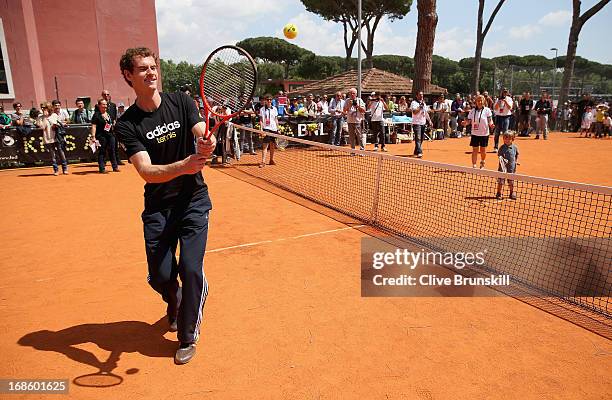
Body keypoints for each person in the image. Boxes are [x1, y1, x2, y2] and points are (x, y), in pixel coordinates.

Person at [115, 47, 216, 365]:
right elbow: (146, 171)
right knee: (159, 277)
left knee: (190, 268)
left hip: (193, 201)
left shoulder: (182, 102)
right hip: (159, 207)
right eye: (142, 69)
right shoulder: (128, 124)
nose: (151, 72)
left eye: (153, 66)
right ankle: (174, 299)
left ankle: (187, 336)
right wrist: (184, 164)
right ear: (129, 76)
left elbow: (202, 134)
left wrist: (206, 144)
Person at [463, 94, 494, 169]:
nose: (479, 102)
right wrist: (465, 123)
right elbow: (469, 121)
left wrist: (491, 125)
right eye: (478, 101)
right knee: (475, 150)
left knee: (483, 150)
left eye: (481, 101)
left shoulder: (487, 110)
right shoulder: (472, 111)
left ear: (483, 102)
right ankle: (474, 165)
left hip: (484, 134)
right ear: (476, 102)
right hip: (475, 133)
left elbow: (490, 120)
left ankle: (482, 161)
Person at [38, 103, 68, 175]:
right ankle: (56, 170)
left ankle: (65, 169)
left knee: (61, 152)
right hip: (48, 138)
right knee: (52, 154)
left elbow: (60, 124)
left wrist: (56, 125)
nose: (43, 109)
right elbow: (42, 127)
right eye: (42, 108)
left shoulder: (54, 115)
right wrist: (45, 117)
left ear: (49, 108)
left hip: (57, 137)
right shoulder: (40, 117)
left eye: (44, 108)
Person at [91, 98, 119, 173]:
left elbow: (112, 122)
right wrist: (93, 136)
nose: (105, 106)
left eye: (106, 104)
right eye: (103, 104)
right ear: (99, 105)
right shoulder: (96, 115)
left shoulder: (109, 113)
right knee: (102, 151)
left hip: (110, 134)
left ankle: (115, 167)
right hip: (101, 136)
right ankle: (102, 168)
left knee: (112, 150)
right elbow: (94, 126)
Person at [496, 131, 519, 200]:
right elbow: (499, 156)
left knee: (511, 181)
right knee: (501, 182)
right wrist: (502, 160)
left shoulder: (515, 147)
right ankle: (498, 193)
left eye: (508, 139)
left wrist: (516, 161)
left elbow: (517, 155)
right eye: (505, 138)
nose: (507, 140)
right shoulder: (502, 147)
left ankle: (512, 193)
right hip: (502, 168)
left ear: (512, 139)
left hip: (511, 168)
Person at [343, 88, 366, 153]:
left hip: (357, 121)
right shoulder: (347, 101)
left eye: (353, 93)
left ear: (356, 94)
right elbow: (344, 111)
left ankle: (362, 150)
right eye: (350, 93)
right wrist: (349, 106)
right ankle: (352, 150)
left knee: (359, 136)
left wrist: (357, 106)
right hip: (350, 121)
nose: (352, 94)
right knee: (351, 137)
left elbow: (364, 110)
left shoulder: (359, 100)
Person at [410, 91, 431, 158]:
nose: (421, 96)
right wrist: (420, 107)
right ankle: (419, 152)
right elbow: (414, 112)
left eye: (422, 95)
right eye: (420, 95)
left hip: (423, 123)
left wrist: (430, 121)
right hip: (416, 123)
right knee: (418, 138)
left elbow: (426, 113)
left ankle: (416, 151)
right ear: (417, 96)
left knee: (421, 139)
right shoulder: (414, 103)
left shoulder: (423, 103)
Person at [259, 94, 278, 167]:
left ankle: (271, 160)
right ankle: (263, 161)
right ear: (265, 101)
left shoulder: (275, 109)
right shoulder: (262, 109)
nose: (269, 101)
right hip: (266, 128)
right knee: (265, 145)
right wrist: (261, 129)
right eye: (267, 100)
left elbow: (276, 119)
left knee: (272, 145)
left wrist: (278, 128)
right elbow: (261, 120)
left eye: (270, 100)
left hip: (274, 129)